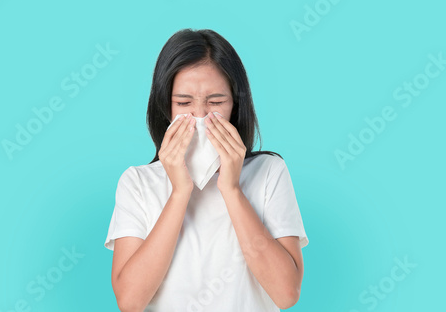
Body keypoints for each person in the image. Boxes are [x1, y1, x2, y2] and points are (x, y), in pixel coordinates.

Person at [104, 28, 309, 312]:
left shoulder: (268, 172)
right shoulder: (137, 182)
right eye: (184, 103)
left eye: (215, 103)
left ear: (235, 105)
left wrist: (232, 189)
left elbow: (286, 293)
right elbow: (129, 301)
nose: (200, 117)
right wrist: (179, 192)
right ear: (166, 106)